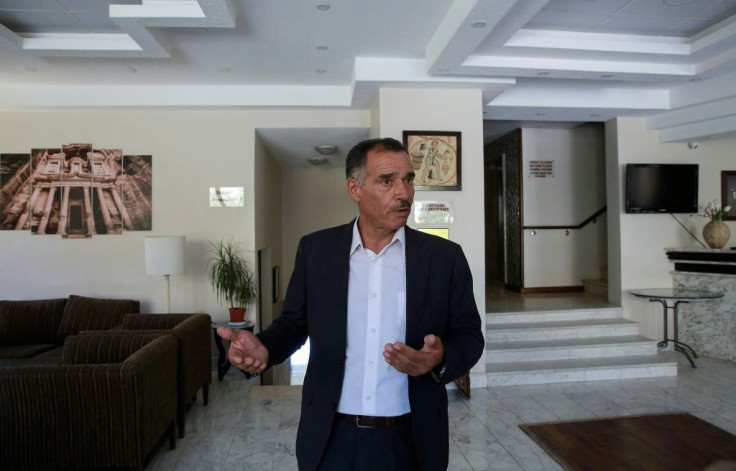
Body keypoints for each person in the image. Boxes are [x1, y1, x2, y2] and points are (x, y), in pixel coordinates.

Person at [217, 137, 484, 471]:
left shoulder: (444, 258)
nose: (403, 193)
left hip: (412, 438)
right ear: (355, 189)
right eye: (387, 181)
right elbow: (294, 324)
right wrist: (265, 348)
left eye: (408, 179)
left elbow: (470, 335)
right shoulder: (316, 251)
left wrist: (440, 357)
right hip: (330, 437)